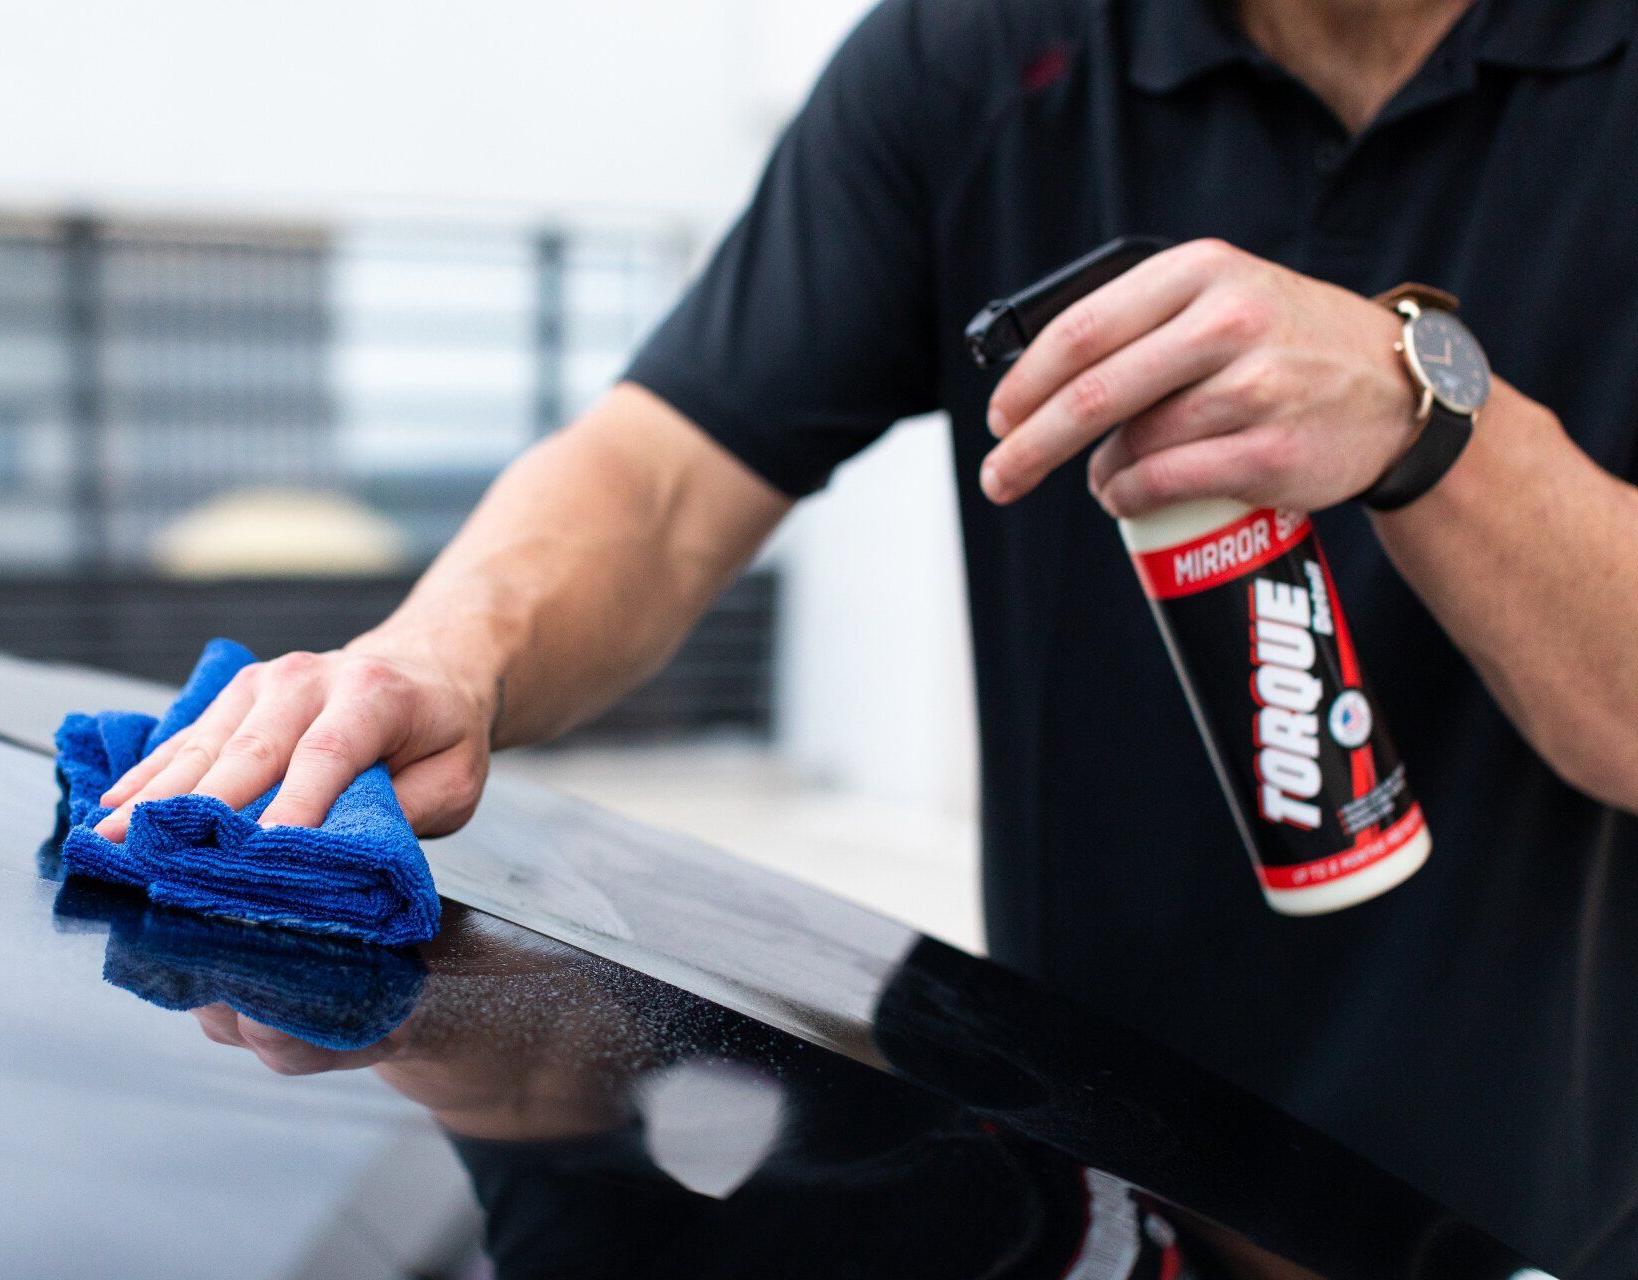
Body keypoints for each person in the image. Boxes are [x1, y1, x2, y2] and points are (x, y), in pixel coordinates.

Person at [94, 0, 1638, 1270]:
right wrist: (447, 648)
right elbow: (667, 475)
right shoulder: (982, 53)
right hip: (1120, 1201)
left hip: (1549, 1207)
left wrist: (1433, 413)